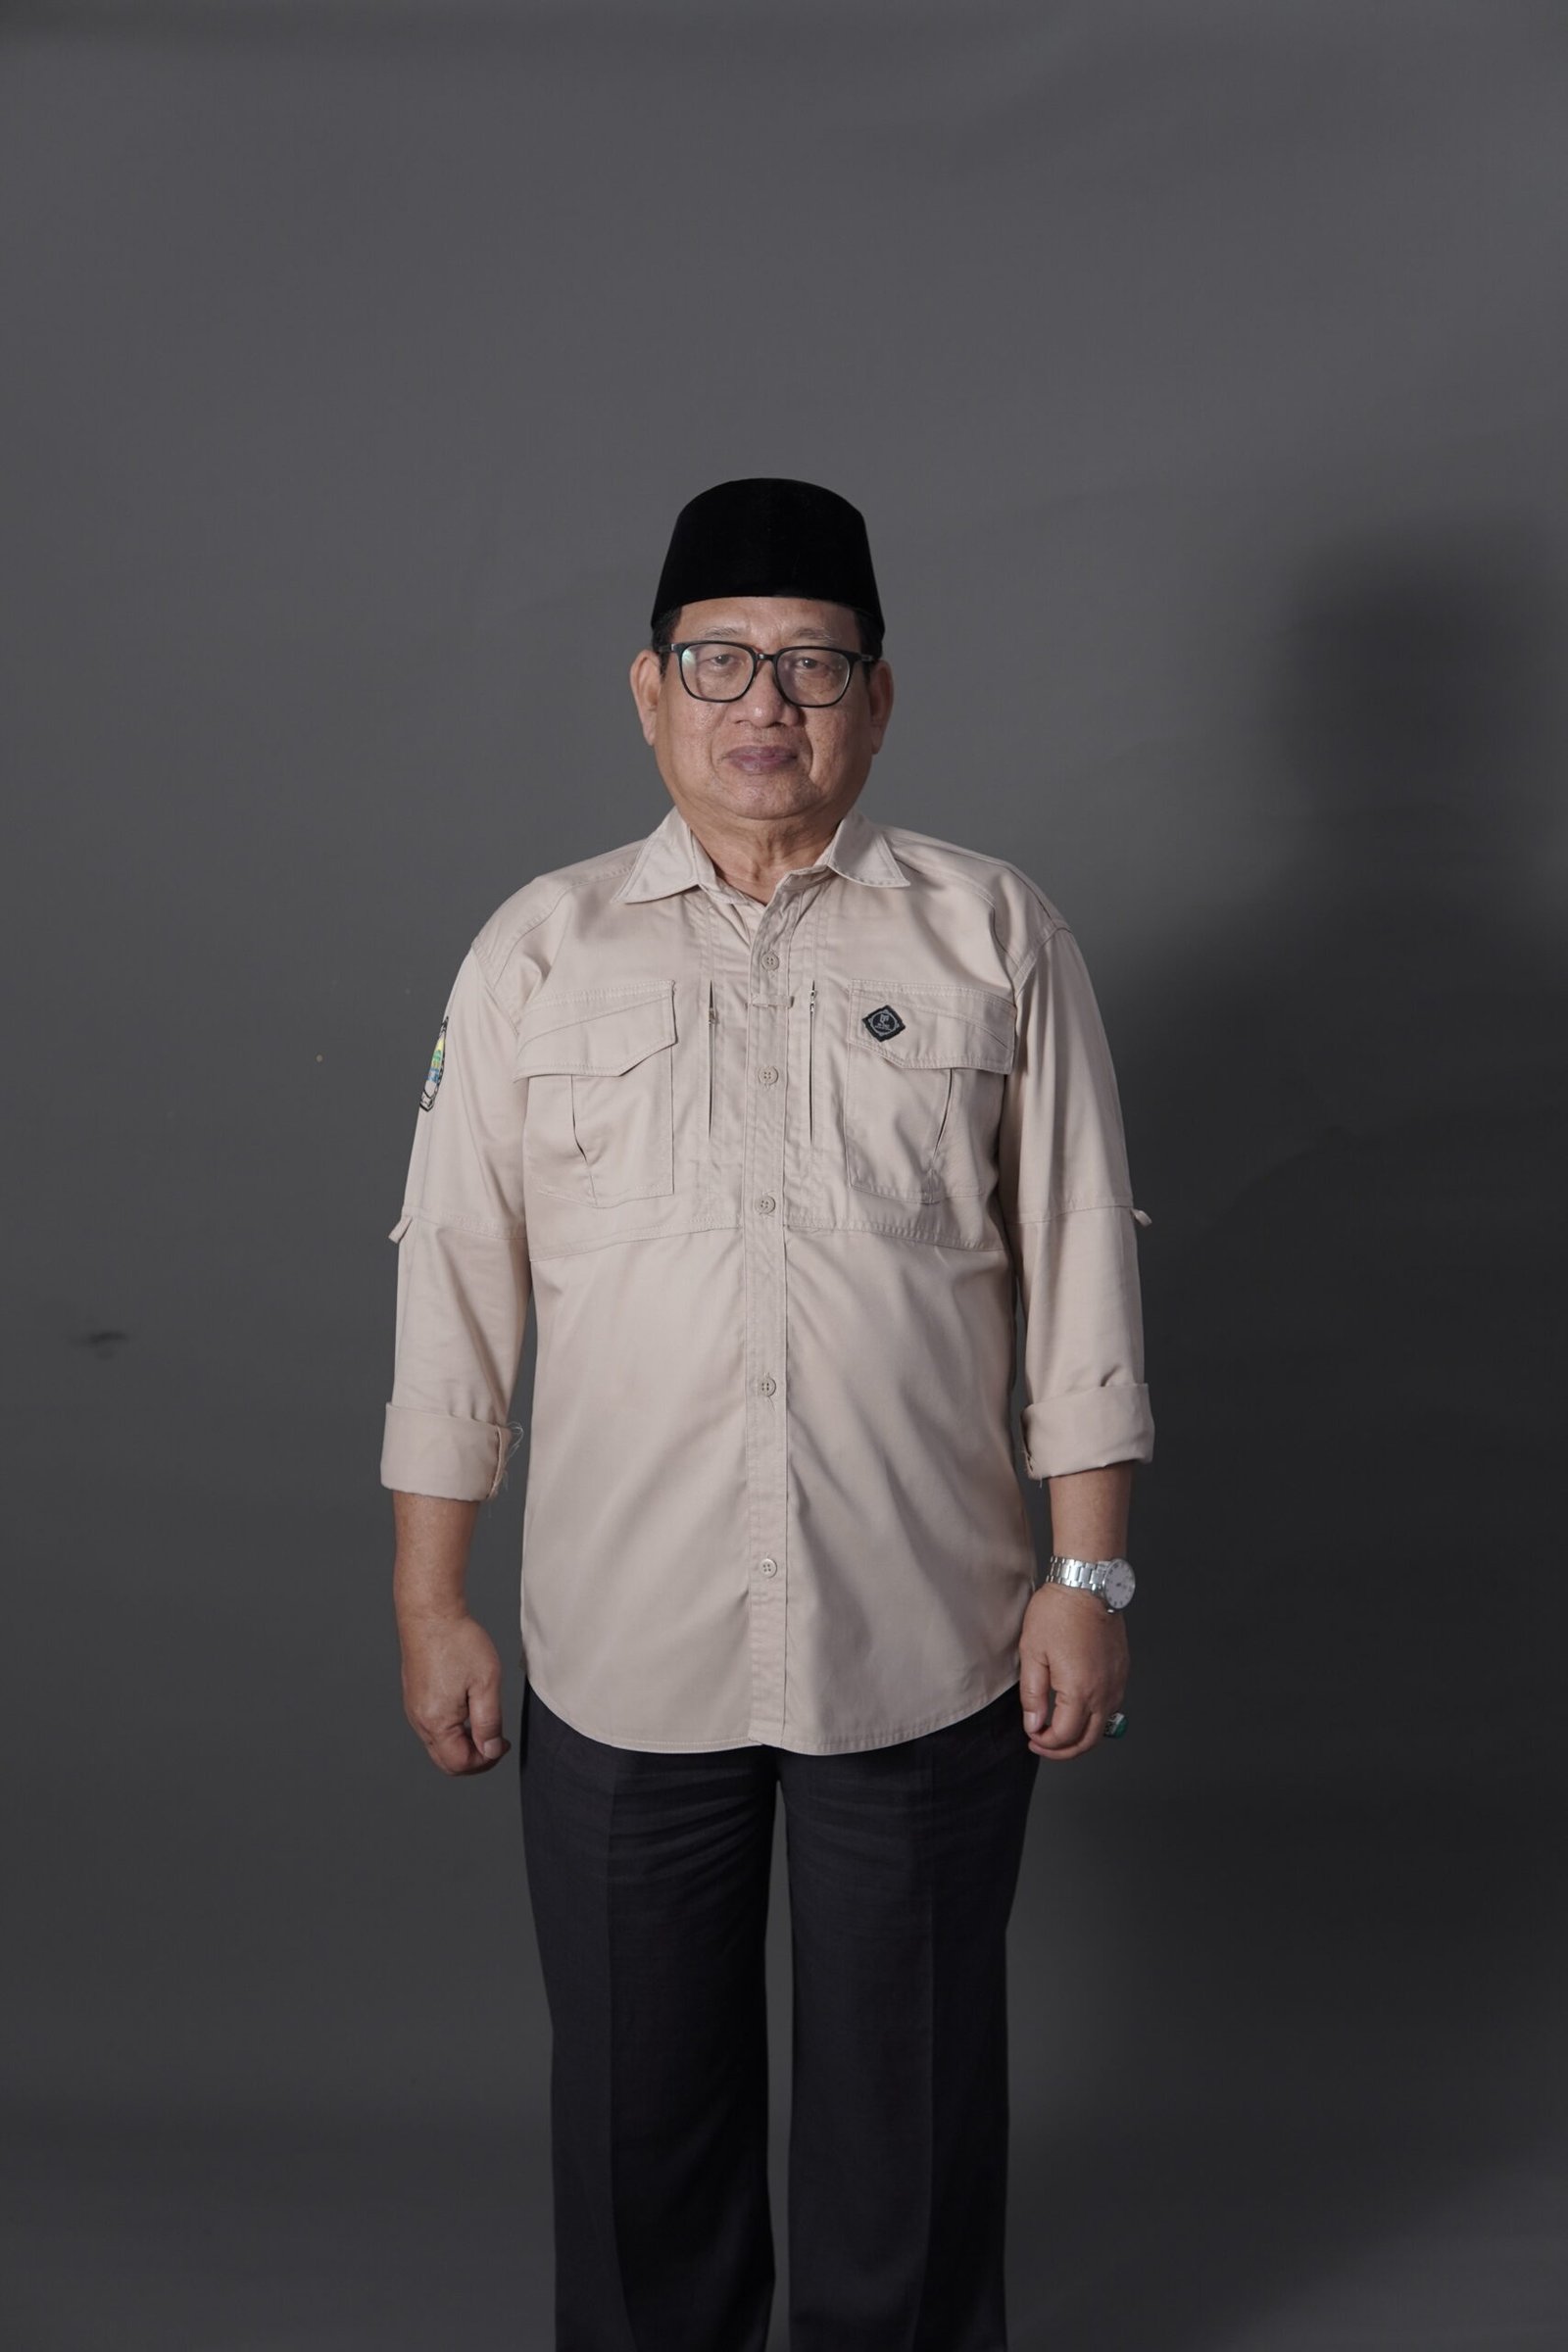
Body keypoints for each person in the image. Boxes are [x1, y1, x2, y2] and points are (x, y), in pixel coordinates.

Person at [380, 476, 1154, 2351]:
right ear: (648, 689)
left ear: (878, 699)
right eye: (720, 660)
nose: (766, 705)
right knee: (638, 2122)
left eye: (813, 665)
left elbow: (1081, 1268)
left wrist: (1087, 1578)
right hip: (621, 1640)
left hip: (929, 1631)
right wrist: (430, 1596)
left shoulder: (995, 933)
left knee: (913, 2115)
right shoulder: (540, 951)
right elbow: (454, 1283)